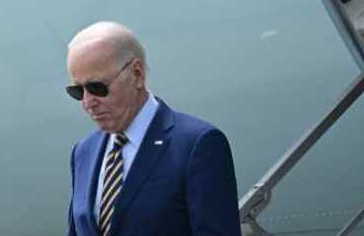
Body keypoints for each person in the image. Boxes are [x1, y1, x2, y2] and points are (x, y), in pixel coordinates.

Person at [65, 21, 241, 236]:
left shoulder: (197, 145)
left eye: (97, 88)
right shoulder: (83, 153)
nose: (87, 102)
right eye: (77, 91)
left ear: (137, 74)